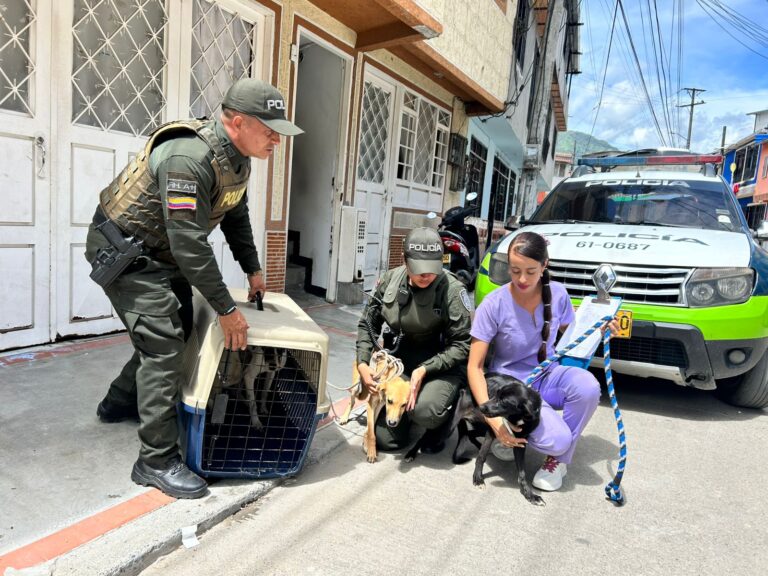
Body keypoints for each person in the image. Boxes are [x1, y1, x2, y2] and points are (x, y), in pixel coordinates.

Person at [84, 79, 303, 499]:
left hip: (160, 252)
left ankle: (119, 402)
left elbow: (234, 212)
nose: (277, 138)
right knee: (164, 342)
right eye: (269, 128)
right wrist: (226, 308)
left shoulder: (238, 157)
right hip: (126, 252)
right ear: (236, 121)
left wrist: (254, 268)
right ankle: (154, 461)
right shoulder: (189, 157)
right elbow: (188, 242)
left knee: (175, 329)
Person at [467, 231, 618, 491]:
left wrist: (601, 329)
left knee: (588, 387)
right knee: (559, 439)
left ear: (544, 265)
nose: (522, 279)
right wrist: (492, 419)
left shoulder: (558, 294)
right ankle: (516, 433)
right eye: (515, 271)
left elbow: (575, 336)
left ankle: (557, 461)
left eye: (530, 271)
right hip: (512, 387)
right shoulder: (494, 304)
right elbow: (475, 367)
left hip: (547, 376)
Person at [355, 227, 472, 455]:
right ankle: (407, 412)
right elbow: (367, 324)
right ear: (405, 261)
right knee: (387, 441)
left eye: (431, 268)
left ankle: (442, 416)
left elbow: (462, 345)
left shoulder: (452, 290)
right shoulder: (390, 280)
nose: (426, 275)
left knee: (426, 411)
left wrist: (425, 369)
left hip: (441, 364)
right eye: (419, 269)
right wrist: (362, 362)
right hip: (402, 362)